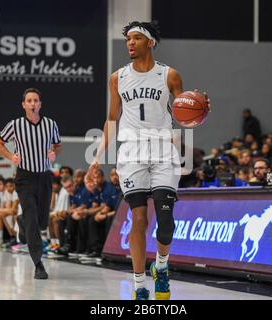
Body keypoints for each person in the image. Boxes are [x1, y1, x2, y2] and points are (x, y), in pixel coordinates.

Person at [86, 21, 210, 300]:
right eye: (128, 38)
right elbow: (111, 120)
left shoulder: (169, 76)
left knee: (166, 221)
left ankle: (162, 267)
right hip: (131, 152)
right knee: (139, 218)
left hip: (163, 150)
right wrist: (96, 160)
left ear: (150, 42)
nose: (130, 43)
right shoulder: (118, 78)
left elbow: (184, 114)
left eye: (137, 38)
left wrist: (199, 111)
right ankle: (140, 284)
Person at [0, 87, 61, 280]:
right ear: (23, 104)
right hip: (25, 177)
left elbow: (57, 144)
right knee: (32, 219)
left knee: (41, 221)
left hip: (44, 176)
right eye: (29, 100)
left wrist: (54, 152)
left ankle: (21, 221)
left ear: (40, 104)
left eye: (36, 100)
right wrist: (10, 156)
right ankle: (38, 264)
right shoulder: (15, 125)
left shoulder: (50, 124)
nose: (33, 103)